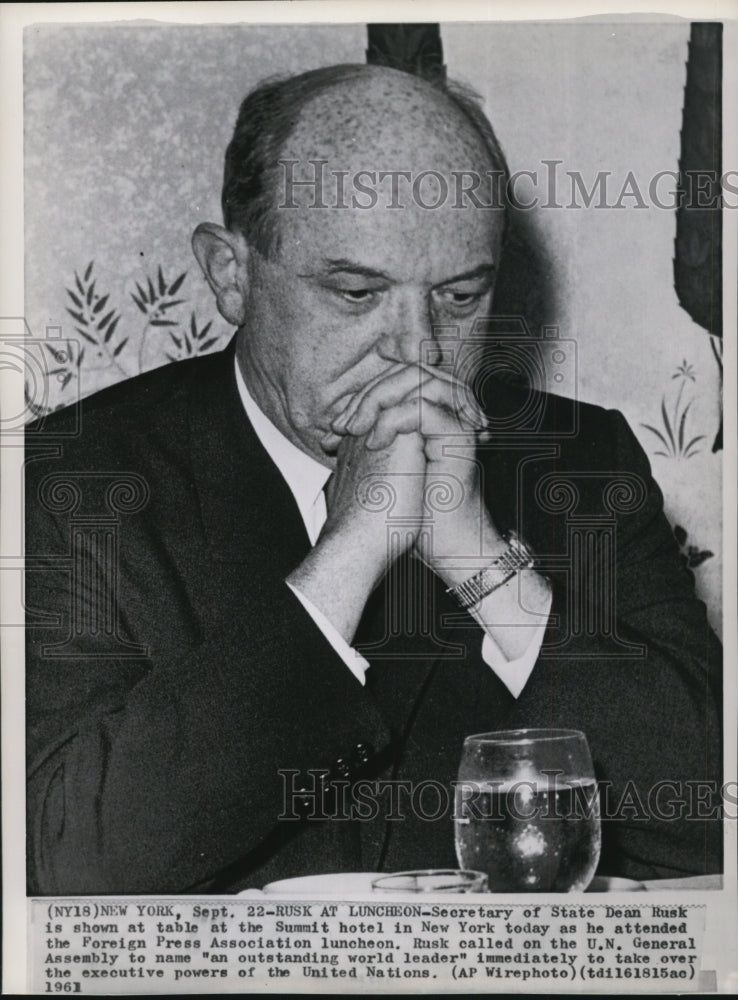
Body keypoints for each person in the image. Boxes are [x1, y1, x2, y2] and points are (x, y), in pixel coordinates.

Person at [25, 63, 722, 895]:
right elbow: (58, 866)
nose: (417, 352)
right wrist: (346, 560)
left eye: (460, 297)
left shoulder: (584, 465)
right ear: (230, 273)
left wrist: (480, 562)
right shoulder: (71, 481)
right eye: (357, 293)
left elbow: (707, 820)